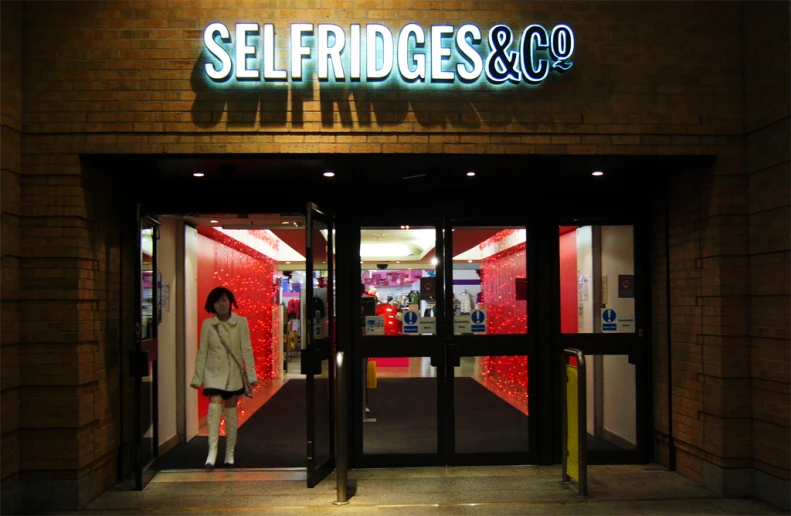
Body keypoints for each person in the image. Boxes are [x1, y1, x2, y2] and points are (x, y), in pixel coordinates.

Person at [190, 287, 258, 468]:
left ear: (231, 302)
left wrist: (251, 375)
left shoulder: (241, 322)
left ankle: (229, 452)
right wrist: (198, 377)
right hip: (213, 373)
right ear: (212, 304)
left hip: (233, 373)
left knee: (231, 413)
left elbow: (246, 349)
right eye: (217, 301)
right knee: (214, 410)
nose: (221, 304)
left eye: (225, 300)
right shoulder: (208, 324)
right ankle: (212, 452)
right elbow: (202, 351)